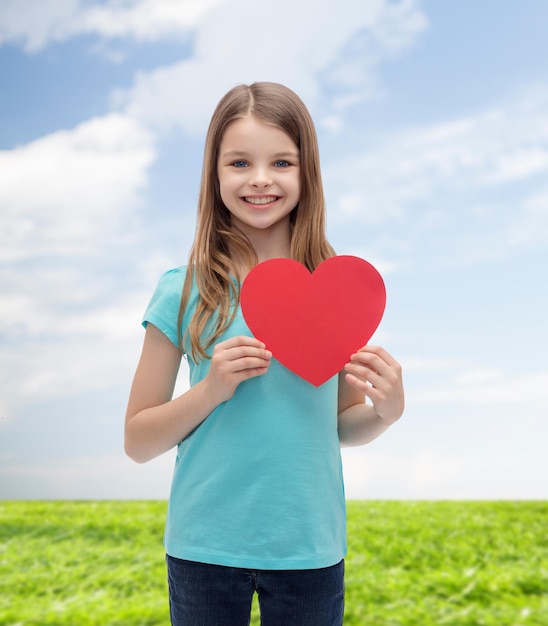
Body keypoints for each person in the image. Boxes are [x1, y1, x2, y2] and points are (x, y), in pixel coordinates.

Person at [124, 81, 405, 626]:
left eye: (281, 161)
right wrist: (211, 390)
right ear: (215, 174)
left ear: (307, 174)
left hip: (309, 547)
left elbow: (340, 425)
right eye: (239, 162)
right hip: (204, 547)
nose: (259, 179)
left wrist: (384, 413)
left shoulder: (340, 292)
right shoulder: (182, 291)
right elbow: (138, 441)